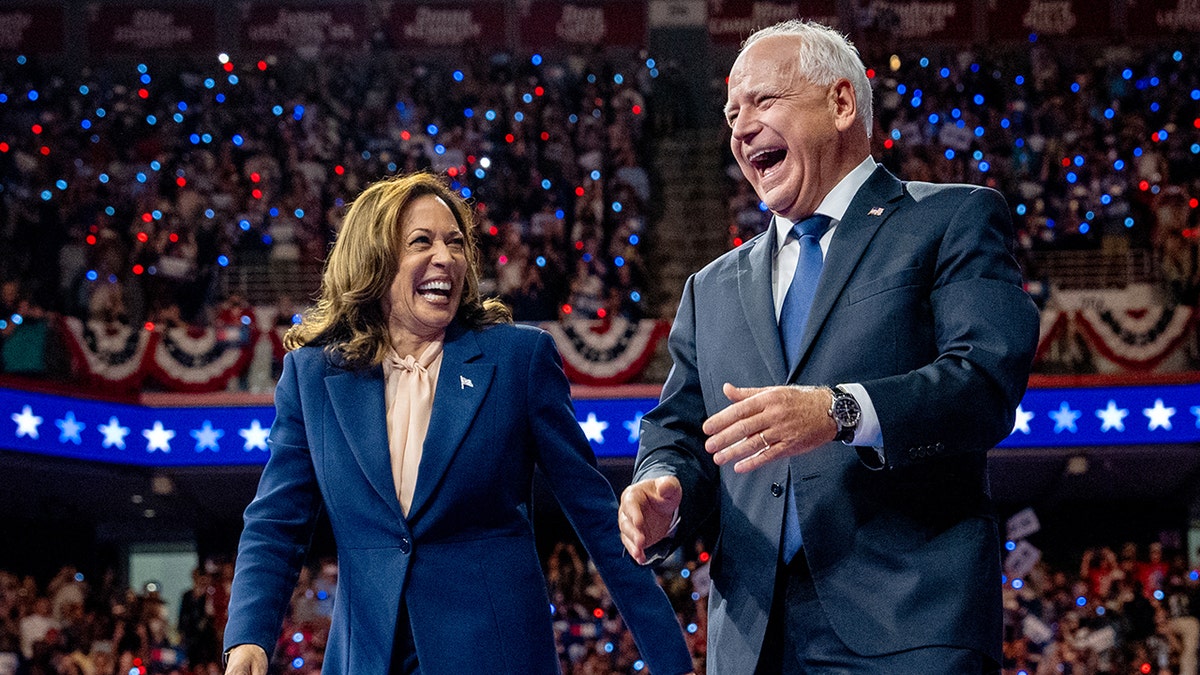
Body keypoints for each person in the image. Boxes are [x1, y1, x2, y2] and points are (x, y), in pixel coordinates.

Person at [617, 20, 1039, 674]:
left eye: (763, 101)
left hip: (909, 625)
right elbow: (681, 428)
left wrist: (838, 411)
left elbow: (983, 383)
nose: (740, 126)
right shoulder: (711, 287)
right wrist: (661, 485)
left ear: (841, 103)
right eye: (732, 112)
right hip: (753, 641)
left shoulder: (952, 219)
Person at [223, 173, 693, 675]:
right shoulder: (313, 375)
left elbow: (597, 518)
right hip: (368, 660)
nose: (445, 258)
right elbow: (275, 523)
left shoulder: (518, 360)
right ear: (373, 260)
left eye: (455, 243)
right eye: (421, 242)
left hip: (496, 656)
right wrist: (248, 637)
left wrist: (669, 657)